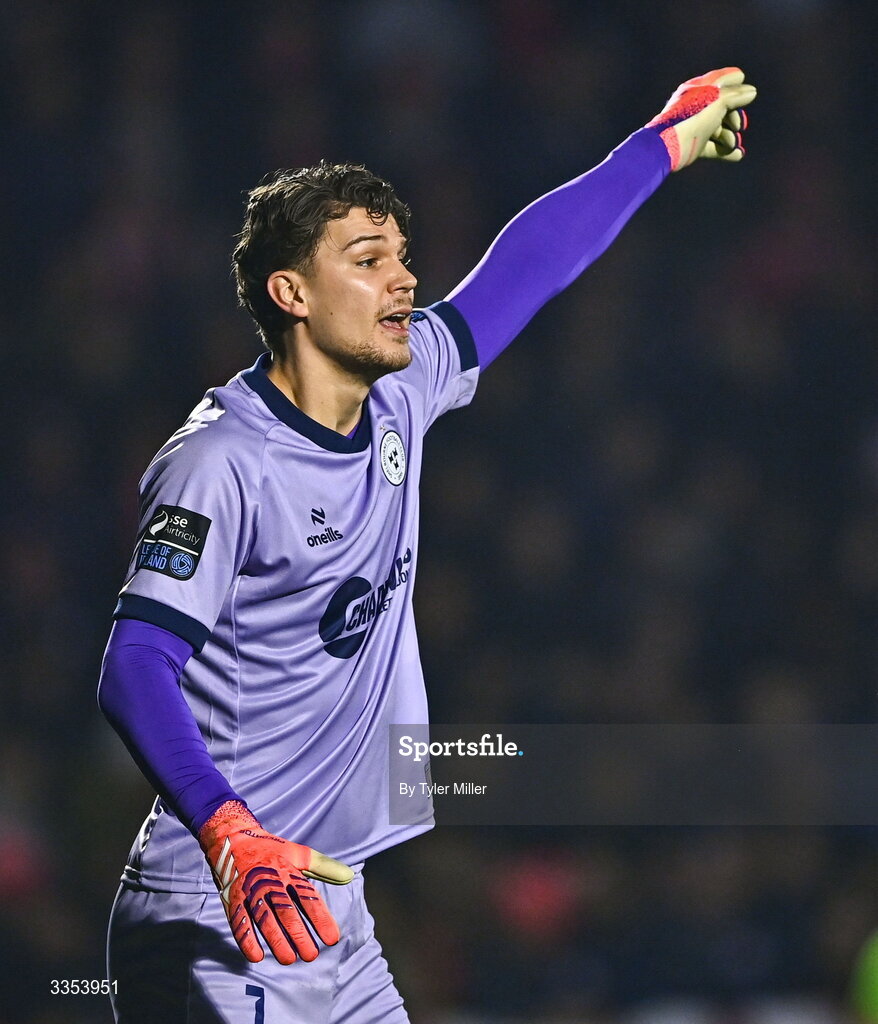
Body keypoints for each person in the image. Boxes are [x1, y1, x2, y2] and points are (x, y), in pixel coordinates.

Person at [99, 68, 756, 1022]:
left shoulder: (404, 393)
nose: (404, 278)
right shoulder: (223, 463)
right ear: (292, 293)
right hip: (218, 907)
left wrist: (661, 141)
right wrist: (227, 830)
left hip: (329, 901)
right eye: (368, 259)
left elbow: (529, 265)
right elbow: (134, 663)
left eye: (403, 255)